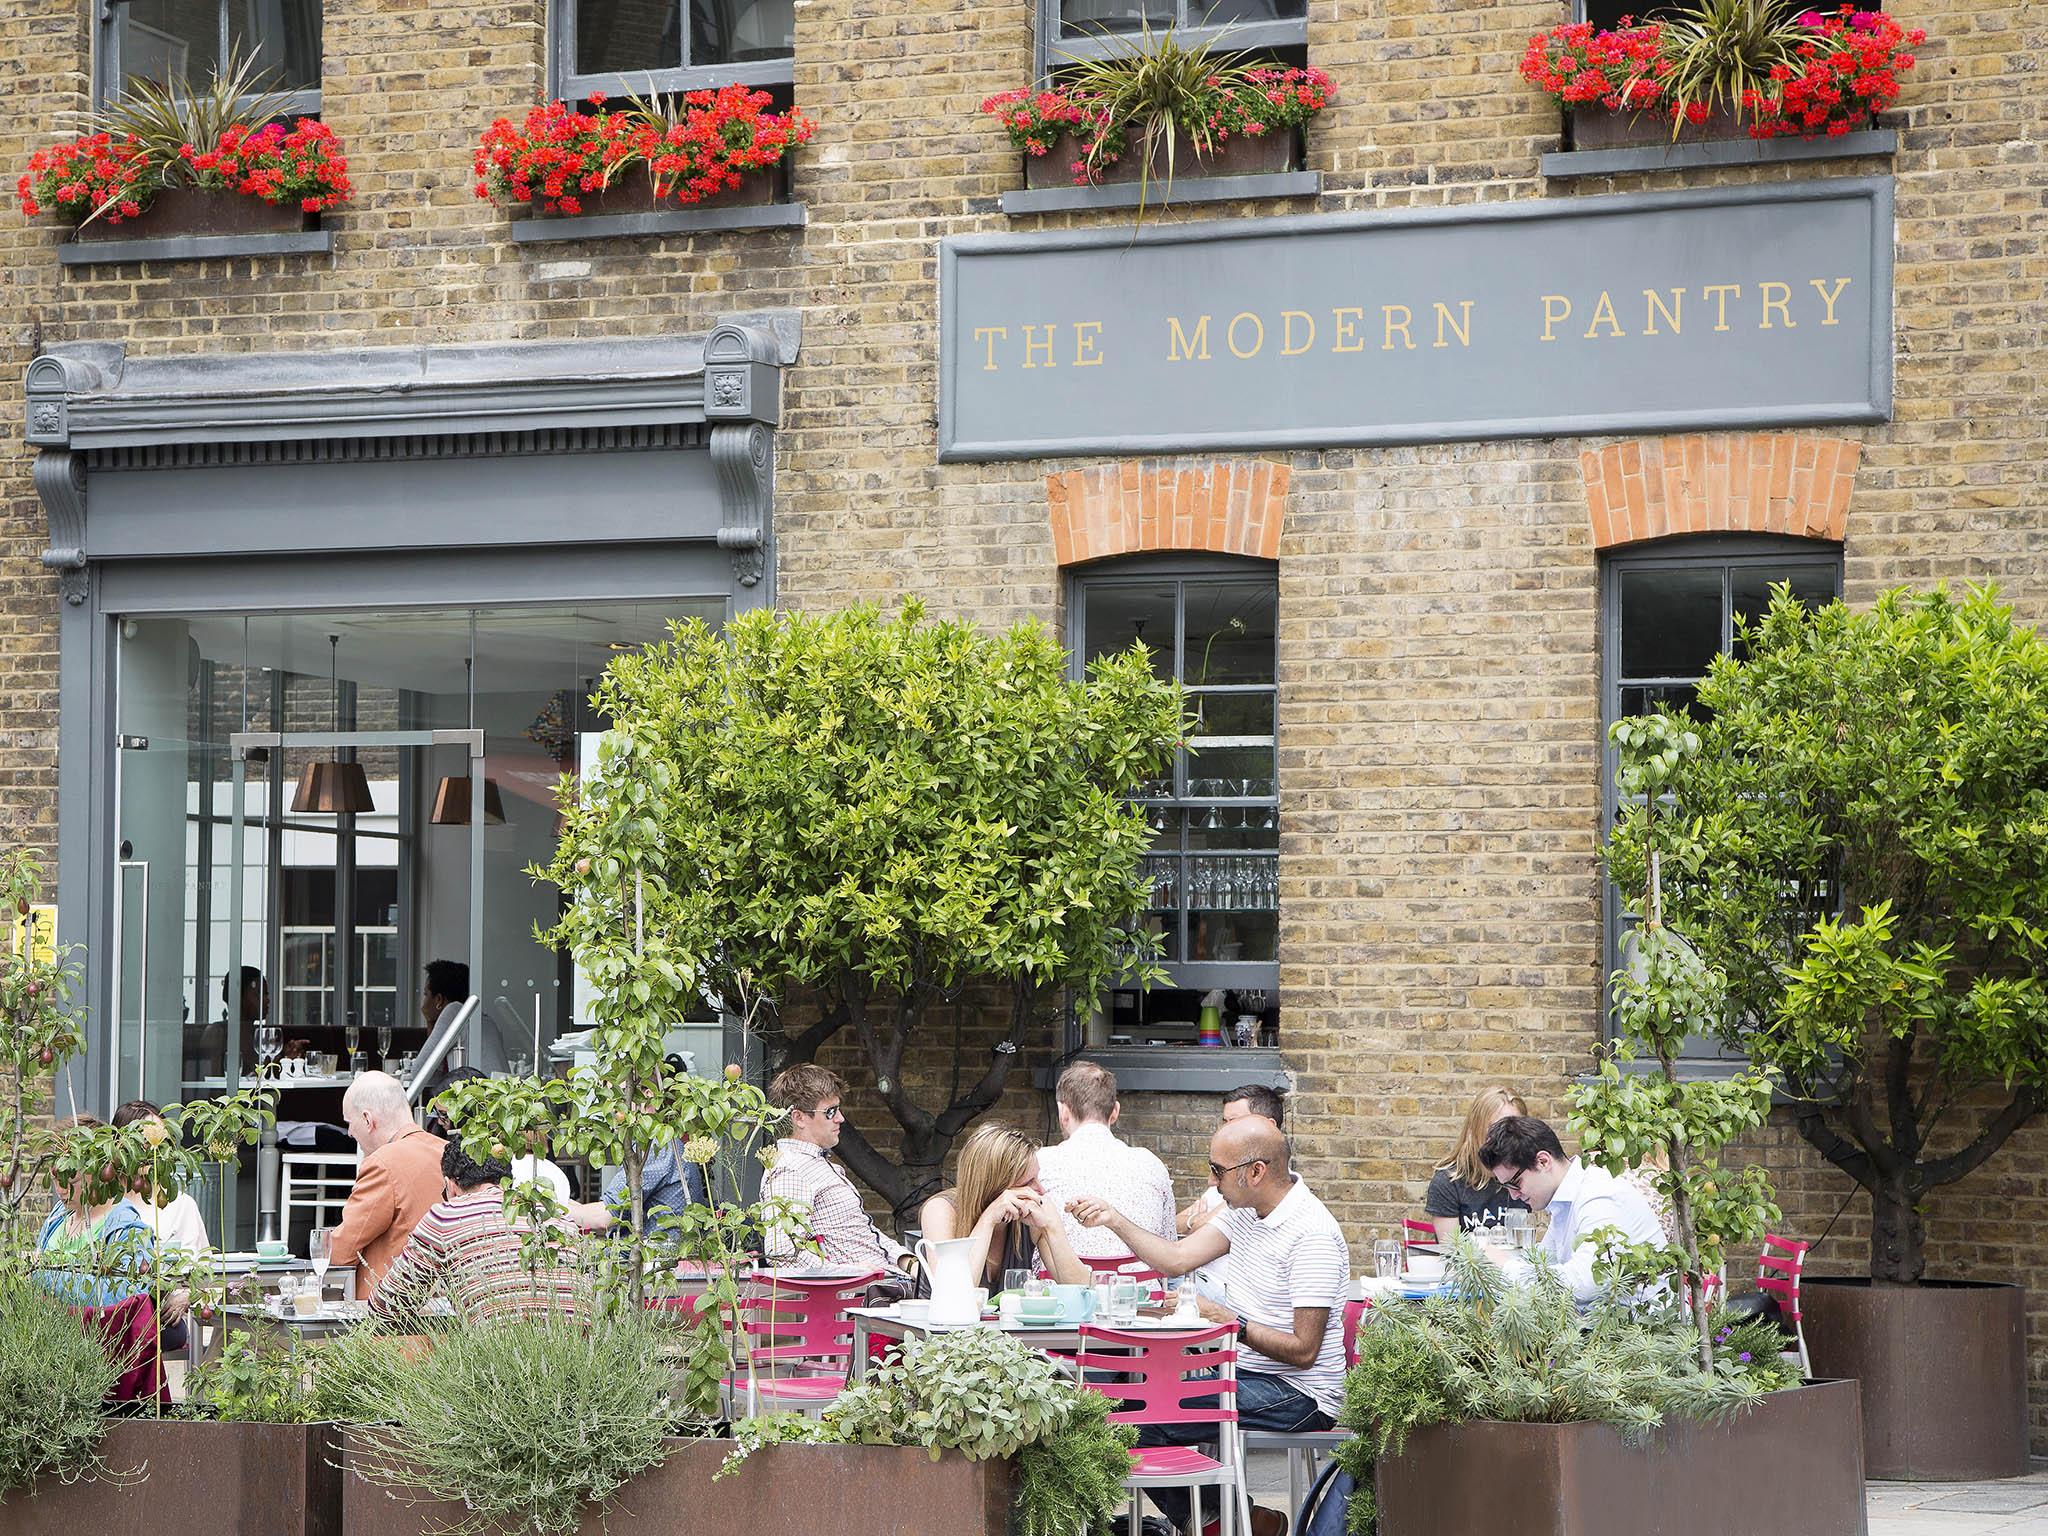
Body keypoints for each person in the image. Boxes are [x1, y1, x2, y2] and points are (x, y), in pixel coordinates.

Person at [1069, 1116, 1348, 1536]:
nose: (1211, 1179)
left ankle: (1224, 1523)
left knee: (1138, 1418)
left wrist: (1228, 1323)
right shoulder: (1244, 1213)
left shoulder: (1311, 1234)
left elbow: (1303, 1350)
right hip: (1246, 1370)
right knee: (1120, 1401)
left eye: (1218, 1169)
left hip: (1302, 1393)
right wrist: (1114, 1219)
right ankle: (1239, 1522)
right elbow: (1174, 1259)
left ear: (1256, 1172)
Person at [371, 1137, 588, 1325]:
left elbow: (389, 1305)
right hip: (578, 1359)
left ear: (450, 1186)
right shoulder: (556, 1216)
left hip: (500, 1362)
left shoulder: (446, 1216)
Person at [1479, 1114, 1665, 1309]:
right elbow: (1542, 1261)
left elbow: (1585, 1283)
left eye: (1515, 1183)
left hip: (1643, 1330)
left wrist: (1505, 1267)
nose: (1514, 1195)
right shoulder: (1567, 1198)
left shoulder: (1598, 1195)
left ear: (1543, 1161)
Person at [759, 1064, 913, 1275]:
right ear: (799, 1118)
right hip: (862, 1296)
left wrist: (909, 1262)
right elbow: (782, 1250)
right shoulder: (790, 1169)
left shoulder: (817, 1164)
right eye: (830, 1111)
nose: (840, 1118)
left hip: (885, 1281)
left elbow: (861, 1233)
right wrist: (848, 1273)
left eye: (838, 1109)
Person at [33, 1114, 186, 1319]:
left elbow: (128, 1296)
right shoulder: (57, 1218)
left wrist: (40, 1274)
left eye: (71, 1178)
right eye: (54, 1178)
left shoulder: (125, 1227)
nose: (61, 1189)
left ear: (97, 1169)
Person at [917, 1122, 1090, 1290]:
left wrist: (1050, 1228)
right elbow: (954, 1295)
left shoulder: (1032, 1213)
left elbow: (1084, 1290)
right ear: (997, 1185)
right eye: (1029, 1181)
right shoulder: (940, 1210)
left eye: (1038, 1178)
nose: (1041, 1189)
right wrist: (988, 1220)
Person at [1035, 1061, 1175, 1260]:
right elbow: (1169, 1245)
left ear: (1063, 1112)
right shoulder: (1152, 1164)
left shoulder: (1039, 1163)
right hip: (1142, 1289)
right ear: (1115, 1111)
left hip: (1058, 1290)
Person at [329, 1070, 448, 1296]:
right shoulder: (448, 1151)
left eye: (349, 1123)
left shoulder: (381, 1164)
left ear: (367, 1119)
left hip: (390, 1310)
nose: (350, 1133)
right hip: (447, 1307)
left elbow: (341, 1252)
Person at [1173, 1083, 1284, 1240]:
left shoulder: (1261, 1189)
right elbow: (1174, 1225)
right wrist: (1196, 1220)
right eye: (1225, 1122)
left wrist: (1195, 1221)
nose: (1225, 1130)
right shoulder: (1227, 1174)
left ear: (1268, 1126)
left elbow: (1199, 1233)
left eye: (1234, 1122)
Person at [1425, 1084, 1529, 1243]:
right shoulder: (1448, 1181)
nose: (1505, 1138)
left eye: (1514, 1130)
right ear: (1474, 1129)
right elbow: (1453, 1252)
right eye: (1495, 1129)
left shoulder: (1526, 1176)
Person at [111, 1100, 211, 1253]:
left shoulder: (181, 1205)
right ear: (120, 1144)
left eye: (160, 1141)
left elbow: (198, 1266)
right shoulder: (102, 1205)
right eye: (143, 1141)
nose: (153, 1150)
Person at [420, 959, 469, 1032]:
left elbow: (435, 1043)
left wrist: (429, 1021)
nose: (423, 1004)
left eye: (426, 994)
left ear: (439, 1000)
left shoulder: (450, 1015)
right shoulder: (478, 1020)